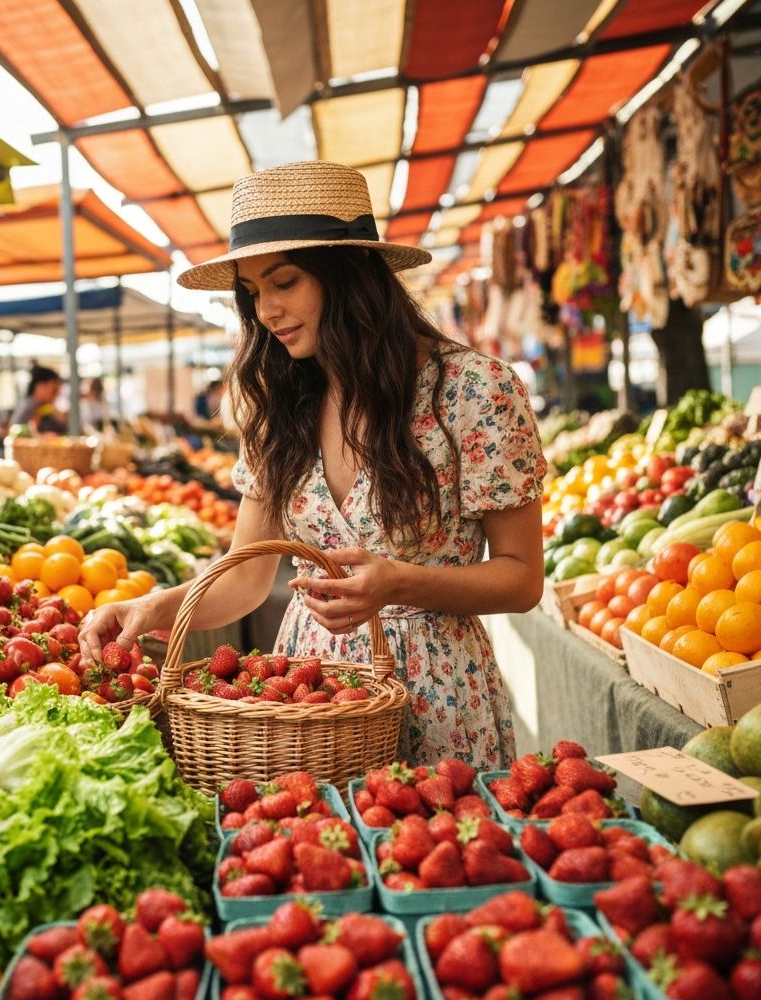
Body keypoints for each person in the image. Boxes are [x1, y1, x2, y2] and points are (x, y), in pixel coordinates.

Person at [79, 161, 547, 770]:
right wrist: (156, 607)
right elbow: (246, 576)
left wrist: (401, 582)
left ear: (349, 276)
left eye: (285, 282)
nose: (267, 310)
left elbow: (521, 578)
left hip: (440, 693)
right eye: (252, 292)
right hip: (306, 698)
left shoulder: (473, 390)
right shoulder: (277, 405)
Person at [10, 363, 67, 434]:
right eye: (53, 390)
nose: (56, 395)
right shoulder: (28, 407)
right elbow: (16, 432)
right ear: (40, 386)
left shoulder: (47, 407)